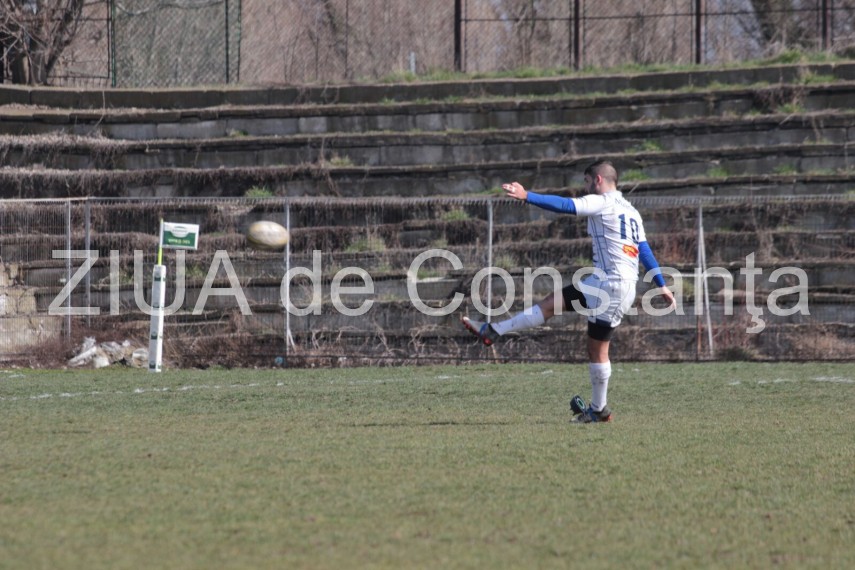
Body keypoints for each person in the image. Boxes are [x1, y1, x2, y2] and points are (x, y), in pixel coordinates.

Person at [462, 160, 675, 423]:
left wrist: (527, 195)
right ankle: (494, 331)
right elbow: (644, 250)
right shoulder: (631, 212)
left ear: (597, 180)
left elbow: (566, 206)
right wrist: (661, 284)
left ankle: (599, 410)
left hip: (609, 283)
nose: (585, 188)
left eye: (586, 182)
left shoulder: (603, 201)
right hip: (620, 285)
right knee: (561, 312)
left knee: (594, 346)